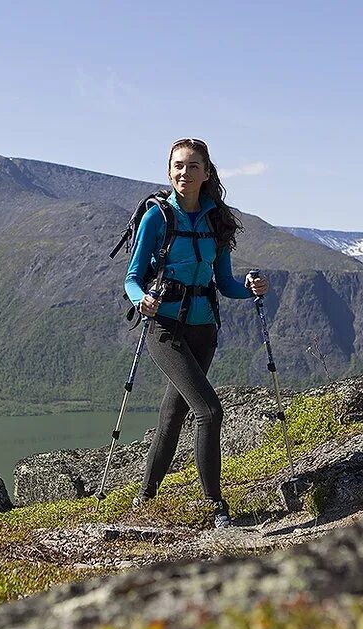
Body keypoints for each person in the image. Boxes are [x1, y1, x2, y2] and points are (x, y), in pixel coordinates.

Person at [124, 137, 268, 529]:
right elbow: (132, 278)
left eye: (192, 166)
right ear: (169, 171)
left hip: (204, 330)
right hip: (165, 328)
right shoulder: (157, 217)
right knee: (209, 410)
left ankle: (145, 499)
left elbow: (224, 283)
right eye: (177, 166)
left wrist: (250, 286)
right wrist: (142, 300)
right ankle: (215, 507)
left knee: (173, 415)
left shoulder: (217, 220)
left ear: (207, 173)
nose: (184, 173)